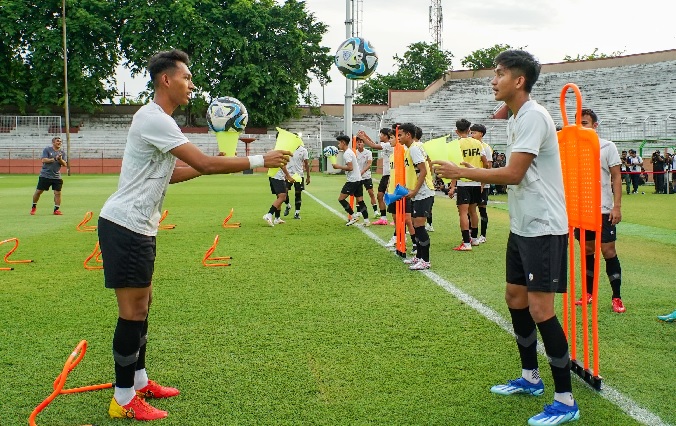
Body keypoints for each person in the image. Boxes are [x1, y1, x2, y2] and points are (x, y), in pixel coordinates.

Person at [98, 49, 289, 421]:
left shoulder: (160, 121)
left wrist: (211, 166)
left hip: (138, 225)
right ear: (166, 79)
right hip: (125, 225)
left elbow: (173, 173)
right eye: (186, 77)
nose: (191, 84)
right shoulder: (155, 118)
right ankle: (123, 399)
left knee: (143, 307)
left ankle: (139, 381)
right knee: (131, 312)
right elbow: (202, 162)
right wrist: (256, 160)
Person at [433, 49, 579, 426]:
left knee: (541, 309)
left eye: (498, 73)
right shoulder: (517, 118)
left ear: (518, 80)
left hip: (544, 226)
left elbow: (513, 174)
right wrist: (468, 170)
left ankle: (565, 399)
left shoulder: (532, 116)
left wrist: (461, 173)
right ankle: (531, 378)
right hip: (523, 224)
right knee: (514, 297)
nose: (492, 80)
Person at [574, 108, 626, 314]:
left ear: (595, 126)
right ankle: (588, 294)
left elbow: (616, 177)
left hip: (604, 210)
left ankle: (616, 297)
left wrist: (617, 206)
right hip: (582, 210)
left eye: (585, 123)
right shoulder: (575, 148)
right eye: (579, 123)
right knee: (587, 251)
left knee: (608, 252)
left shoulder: (607, 146)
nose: (581, 127)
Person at [398, 123, 435, 270]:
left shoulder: (414, 149)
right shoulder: (411, 149)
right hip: (417, 193)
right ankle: (419, 256)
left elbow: (423, 171)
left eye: (400, 134)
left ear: (408, 135)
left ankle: (425, 260)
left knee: (419, 226)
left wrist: (414, 191)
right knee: (415, 224)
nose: (398, 137)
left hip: (423, 193)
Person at [448, 118, 487, 251]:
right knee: (473, 211)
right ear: (469, 130)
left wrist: (452, 186)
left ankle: (466, 243)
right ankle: (474, 239)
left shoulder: (456, 144)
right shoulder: (478, 143)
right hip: (476, 180)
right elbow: (486, 163)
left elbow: (454, 167)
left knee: (463, 213)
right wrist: (483, 180)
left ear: (456, 131)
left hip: (464, 182)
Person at [357, 128, 394, 225]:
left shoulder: (389, 144)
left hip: (391, 174)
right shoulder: (385, 145)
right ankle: (383, 218)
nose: (379, 136)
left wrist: (362, 138)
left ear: (386, 136)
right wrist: (365, 136)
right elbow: (374, 144)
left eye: (381, 134)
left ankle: (397, 218)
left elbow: (373, 146)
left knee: (392, 197)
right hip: (386, 174)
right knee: (380, 195)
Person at [333, 135, 365, 226]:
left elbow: (350, 167)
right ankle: (366, 220)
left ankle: (353, 216)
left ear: (343, 143)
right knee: (360, 200)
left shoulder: (347, 153)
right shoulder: (349, 152)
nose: (338, 145)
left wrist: (338, 166)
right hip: (358, 179)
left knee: (341, 199)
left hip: (353, 180)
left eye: (339, 143)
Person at [31, 136, 67, 215]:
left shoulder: (62, 153)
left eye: (60, 141)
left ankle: (56, 209)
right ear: (53, 142)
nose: (59, 143)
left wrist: (60, 159)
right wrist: (54, 159)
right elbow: (43, 160)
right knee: (39, 192)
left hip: (56, 176)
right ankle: (34, 206)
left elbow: (64, 164)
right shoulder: (47, 150)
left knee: (58, 193)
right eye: (57, 141)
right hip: (45, 175)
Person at [470, 123, 492, 243]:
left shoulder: (486, 147)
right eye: (471, 132)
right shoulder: (470, 145)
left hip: (482, 183)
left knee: (482, 209)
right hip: (472, 183)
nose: (472, 135)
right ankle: (472, 233)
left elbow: (488, 166)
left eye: (474, 132)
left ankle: (483, 235)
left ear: (481, 134)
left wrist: (483, 184)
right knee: (470, 209)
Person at [283, 143, 311, 219]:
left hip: (299, 175)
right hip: (288, 175)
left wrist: (308, 176)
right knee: (283, 192)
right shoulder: (287, 149)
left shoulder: (303, 150)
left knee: (298, 194)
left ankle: (297, 213)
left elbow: (306, 164)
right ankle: (288, 205)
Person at [355, 135, 376, 225]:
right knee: (358, 195)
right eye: (358, 142)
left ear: (364, 143)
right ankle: (359, 211)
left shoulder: (368, 152)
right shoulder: (354, 152)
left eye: (361, 142)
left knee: (371, 192)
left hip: (366, 176)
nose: (359, 143)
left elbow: (369, 164)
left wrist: (362, 171)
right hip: (357, 177)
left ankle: (375, 211)